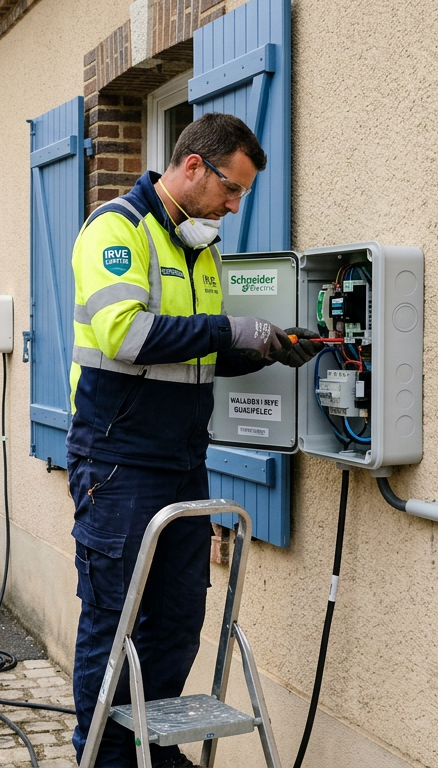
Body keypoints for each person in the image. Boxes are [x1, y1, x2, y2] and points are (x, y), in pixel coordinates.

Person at [67, 112, 323, 767]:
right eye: (230, 189)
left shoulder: (200, 248)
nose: (234, 206)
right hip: (117, 462)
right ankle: (101, 756)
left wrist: (269, 345)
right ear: (191, 167)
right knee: (114, 619)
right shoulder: (116, 231)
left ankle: (146, 742)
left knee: (179, 618)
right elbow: (126, 336)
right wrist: (226, 333)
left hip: (182, 463)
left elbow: (200, 354)